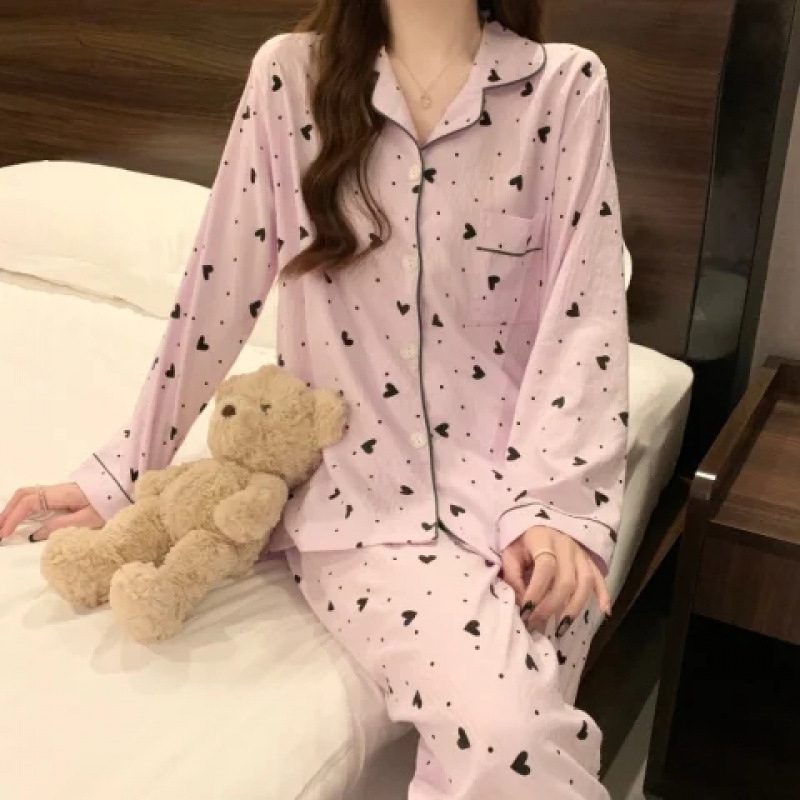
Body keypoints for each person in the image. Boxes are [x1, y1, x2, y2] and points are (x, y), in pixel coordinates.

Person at [1, 0, 628, 796]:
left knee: (524, 716)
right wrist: (125, 470)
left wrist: (555, 507)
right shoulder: (289, 78)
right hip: (365, 501)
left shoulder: (565, 88)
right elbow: (215, 291)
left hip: (523, 494)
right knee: (511, 735)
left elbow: (585, 316)